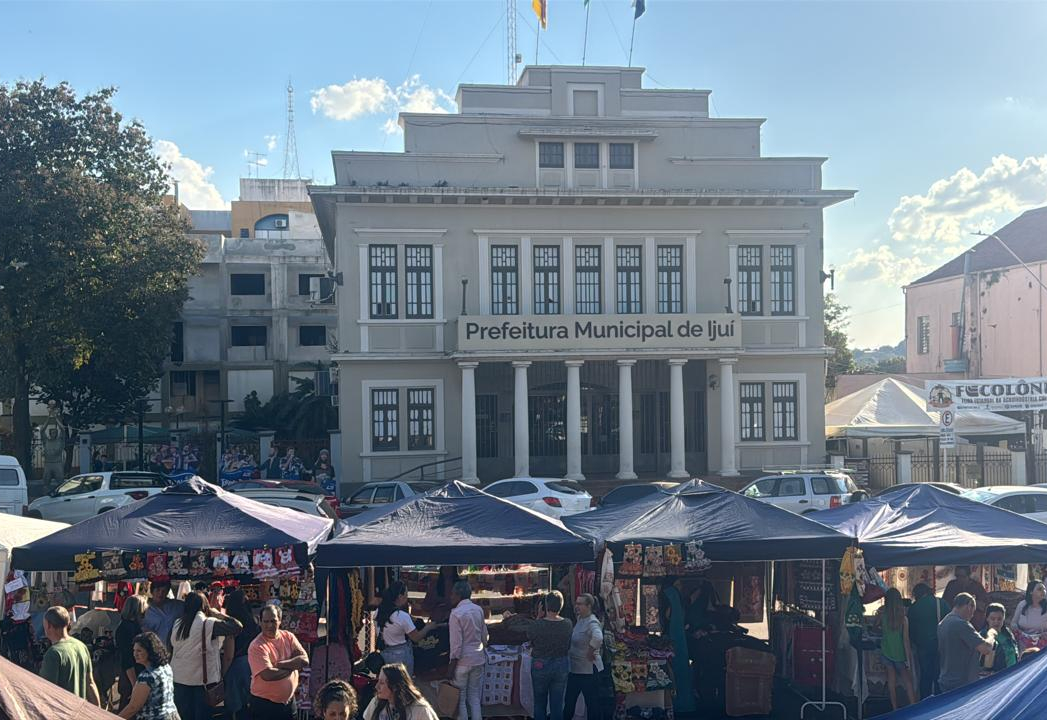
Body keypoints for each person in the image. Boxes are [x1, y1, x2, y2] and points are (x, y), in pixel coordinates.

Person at [169, 591, 243, 720]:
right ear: (205, 606)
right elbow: (237, 627)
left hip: (179, 679)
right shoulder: (208, 623)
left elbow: (170, 646)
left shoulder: (177, 624)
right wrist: (220, 614)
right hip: (202, 683)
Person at [248, 604, 310, 720]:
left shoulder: (288, 637)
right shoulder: (257, 646)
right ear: (260, 622)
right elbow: (268, 675)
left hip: (289, 703)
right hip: (265, 706)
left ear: (280, 621)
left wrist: (282, 664)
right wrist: (293, 666)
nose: (270, 625)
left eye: (273, 621)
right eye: (266, 622)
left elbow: (304, 660)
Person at [39, 606, 101, 705]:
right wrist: (98, 713)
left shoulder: (53, 653)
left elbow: (46, 694)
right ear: (68, 623)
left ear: (48, 625)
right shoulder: (81, 647)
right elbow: (90, 683)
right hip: (78, 713)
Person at [377, 580, 439, 676]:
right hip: (401, 655)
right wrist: (428, 627)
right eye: (406, 594)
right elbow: (416, 637)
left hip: (385, 653)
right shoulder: (401, 616)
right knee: (404, 684)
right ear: (400, 596)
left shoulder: (381, 612)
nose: (407, 597)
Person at [938, 593, 994, 694]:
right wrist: (991, 635)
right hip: (961, 683)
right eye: (973, 611)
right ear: (969, 605)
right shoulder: (961, 624)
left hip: (946, 679)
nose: (972, 615)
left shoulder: (943, 623)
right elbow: (986, 648)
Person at [448, 580, 488, 720]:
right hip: (478, 658)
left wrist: (452, 664)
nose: (450, 596)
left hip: (462, 662)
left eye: (452, 594)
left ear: (458, 595)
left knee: (461, 700)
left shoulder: (456, 614)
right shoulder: (478, 610)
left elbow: (456, 644)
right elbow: (484, 636)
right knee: (474, 697)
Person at [118, 631, 180, 720]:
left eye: (139, 650)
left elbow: (133, 707)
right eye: (134, 650)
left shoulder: (146, 676)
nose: (135, 654)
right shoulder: (166, 667)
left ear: (150, 651)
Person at [563, 594, 604, 720]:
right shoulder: (580, 619)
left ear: (589, 606)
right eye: (577, 603)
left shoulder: (592, 621)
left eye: (580, 604)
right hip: (576, 669)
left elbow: (598, 637)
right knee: (569, 702)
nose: (577, 606)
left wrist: (591, 651)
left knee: (591, 704)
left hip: (588, 671)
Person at [223, 589, 261, 719]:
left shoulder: (232, 624)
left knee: (237, 707)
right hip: (254, 664)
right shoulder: (254, 621)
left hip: (237, 665)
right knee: (251, 703)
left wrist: (223, 673)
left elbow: (229, 655)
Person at [907, 583, 948, 699]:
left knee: (925, 676)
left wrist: (916, 642)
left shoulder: (914, 608)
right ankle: (941, 702)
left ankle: (925, 703)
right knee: (940, 676)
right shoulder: (941, 603)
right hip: (941, 646)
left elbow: (910, 631)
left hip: (923, 647)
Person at [661, 577, 696, 714]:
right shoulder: (673, 595)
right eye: (679, 583)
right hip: (675, 641)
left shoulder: (672, 596)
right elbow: (669, 615)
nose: (681, 586)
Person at [879, 588, 916, 710]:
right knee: (907, 681)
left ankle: (894, 707)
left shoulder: (882, 614)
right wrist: (908, 659)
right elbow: (905, 640)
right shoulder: (903, 619)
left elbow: (875, 628)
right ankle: (913, 704)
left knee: (891, 680)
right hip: (900, 653)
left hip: (886, 651)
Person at [362, 663, 440, 720]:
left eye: (382, 683)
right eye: (378, 681)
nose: (376, 686)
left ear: (395, 686)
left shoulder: (419, 709)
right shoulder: (376, 702)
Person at [117, 595, 148, 710]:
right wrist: (134, 683)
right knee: (130, 708)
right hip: (132, 675)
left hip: (134, 674)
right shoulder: (128, 629)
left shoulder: (128, 626)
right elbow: (127, 658)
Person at [143, 580, 185, 649]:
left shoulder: (177, 606)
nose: (160, 593)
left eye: (164, 591)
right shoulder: (144, 608)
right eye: (158, 590)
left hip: (175, 650)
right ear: (152, 591)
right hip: (154, 650)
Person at [1010, 580, 1047, 653]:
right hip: (1023, 645)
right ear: (1031, 592)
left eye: (1044, 589)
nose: (1043, 591)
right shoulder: (1022, 605)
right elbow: (1013, 623)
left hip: (1042, 646)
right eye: (1040, 589)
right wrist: (1017, 630)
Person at [982, 602, 1019, 673]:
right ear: (987, 618)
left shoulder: (1008, 633)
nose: (996, 622)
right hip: (996, 677)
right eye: (993, 619)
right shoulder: (983, 635)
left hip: (1012, 673)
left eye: (999, 619)